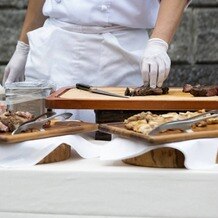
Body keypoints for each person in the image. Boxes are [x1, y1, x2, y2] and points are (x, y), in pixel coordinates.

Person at [3, 0, 190, 121]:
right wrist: (23, 47)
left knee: (118, 143)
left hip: (120, 53)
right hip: (54, 48)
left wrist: (158, 43)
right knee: (40, 137)